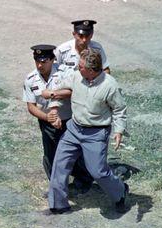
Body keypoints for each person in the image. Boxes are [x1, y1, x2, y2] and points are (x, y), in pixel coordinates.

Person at [44, 48, 128, 214]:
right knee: (59, 165)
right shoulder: (76, 76)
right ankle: (58, 205)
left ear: (91, 70)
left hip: (96, 133)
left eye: (80, 66)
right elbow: (59, 89)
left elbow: (119, 109)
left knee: (98, 172)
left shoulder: (109, 85)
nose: (77, 67)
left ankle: (120, 191)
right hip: (74, 129)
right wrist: (54, 104)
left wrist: (118, 131)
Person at [23, 44, 93, 192]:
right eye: (37, 61)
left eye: (44, 61)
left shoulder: (64, 72)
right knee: (50, 155)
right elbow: (31, 106)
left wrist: (54, 95)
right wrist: (48, 117)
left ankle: (84, 179)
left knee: (73, 152)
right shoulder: (30, 79)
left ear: (53, 59)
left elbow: (73, 91)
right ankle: (57, 186)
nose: (40, 65)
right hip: (47, 122)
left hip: (68, 120)